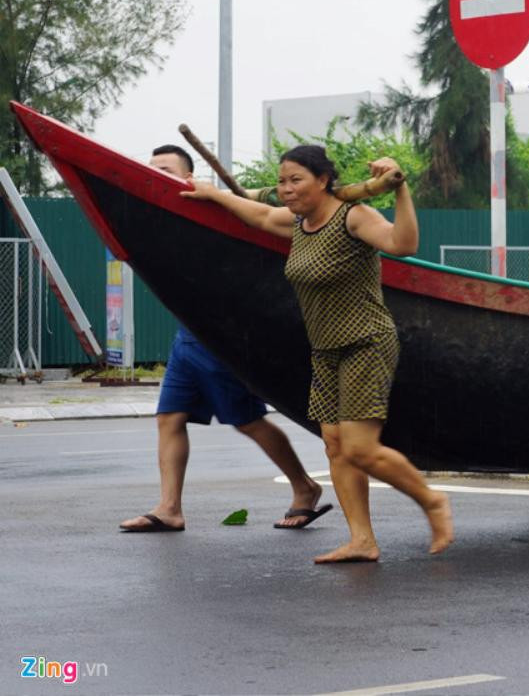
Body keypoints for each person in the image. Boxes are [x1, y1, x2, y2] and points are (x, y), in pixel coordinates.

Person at [182, 145, 453, 563]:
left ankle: (432, 501)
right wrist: (211, 193)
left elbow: (403, 244)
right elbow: (255, 214)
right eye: (282, 181)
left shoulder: (353, 216)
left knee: (360, 449)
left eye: (296, 180)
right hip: (325, 350)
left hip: (365, 343)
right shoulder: (298, 224)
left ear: (323, 180)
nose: (286, 190)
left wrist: (401, 190)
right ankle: (362, 540)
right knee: (335, 447)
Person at [121, 145, 329, 533]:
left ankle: (304, 487)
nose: (153, 173)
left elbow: (268, 221)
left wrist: (223, 198)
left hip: (224, 333)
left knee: (247, 420)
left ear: (187, 177)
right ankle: (169, 508)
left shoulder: (218, 208)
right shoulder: (163, 215)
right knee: (169, 417)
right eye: (149, 168)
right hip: (189, 332)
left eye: (164, 168)